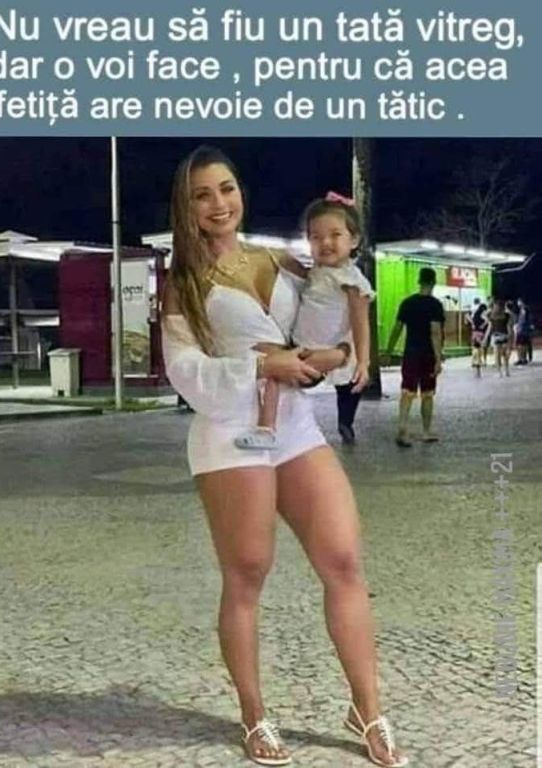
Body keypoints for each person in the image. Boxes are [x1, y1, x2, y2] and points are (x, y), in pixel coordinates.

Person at [161, 145, 408, 768]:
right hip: (230, 433)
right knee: (247, 574)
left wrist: (342, 357)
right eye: (202, 195)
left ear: (240, 191)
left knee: (343, 560)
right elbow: (183, 370)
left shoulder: (284, 261)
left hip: (295, 426)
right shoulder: (183, 283)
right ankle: (254, 714)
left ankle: (367, 709)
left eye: (226, 188)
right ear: (187, 207)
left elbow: (330, 317)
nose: (219, 203)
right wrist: (259, 367)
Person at [234, 194, 374, 450]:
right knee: (259, 355)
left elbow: (361, 323)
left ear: (354, 240)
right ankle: (266, 423)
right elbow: (288, 264)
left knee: (274, 372)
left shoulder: (352, 281)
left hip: (319, 353)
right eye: (316, 237)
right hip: (297, 345)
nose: (325, 242)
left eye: (335, 235)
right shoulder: (317, 272)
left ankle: (267, 429)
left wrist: (363, 362)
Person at [385, 267, 445, 447]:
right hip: (427, 354)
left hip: (410, 353)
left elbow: (397, 328)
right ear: (433, 282)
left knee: (407, 391)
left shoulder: (407, 303)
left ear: (419, 281)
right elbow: (435, 332)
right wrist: (438, 358)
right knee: (427, 393)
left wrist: (388, 351)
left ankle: (402, 427)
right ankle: (426, 431)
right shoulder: (435, 305)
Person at [486, 299, 514, 377]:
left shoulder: (494, 315)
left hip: (499, 336)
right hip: (501, 335)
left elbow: (509, 327)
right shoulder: (505, 315)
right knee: (501, 354)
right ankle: (504, 371)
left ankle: (502, 371)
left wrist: (510, 337)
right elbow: (509, 328)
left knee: (500, 354)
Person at [468, 301, 489, 376]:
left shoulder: (475, 315)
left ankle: (473, 361)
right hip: (480, 333)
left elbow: (468, 316)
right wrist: (483, 325)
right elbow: (488, 321)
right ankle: (479, 362)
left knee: (474, 347)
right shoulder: (483, 315)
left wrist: (472, 324)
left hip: (474, 333)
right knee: (479, 349)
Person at [515, 298, 532, 365]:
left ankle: (522, 359)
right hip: (523, 330)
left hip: (522, 330)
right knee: (523, 345)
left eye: (519, 301)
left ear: (522, 302)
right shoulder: (523, 309)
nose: (518, 303)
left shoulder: (524, 309)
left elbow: (523, 320)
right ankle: (523, 359)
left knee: (521, 345)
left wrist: (518, 327)